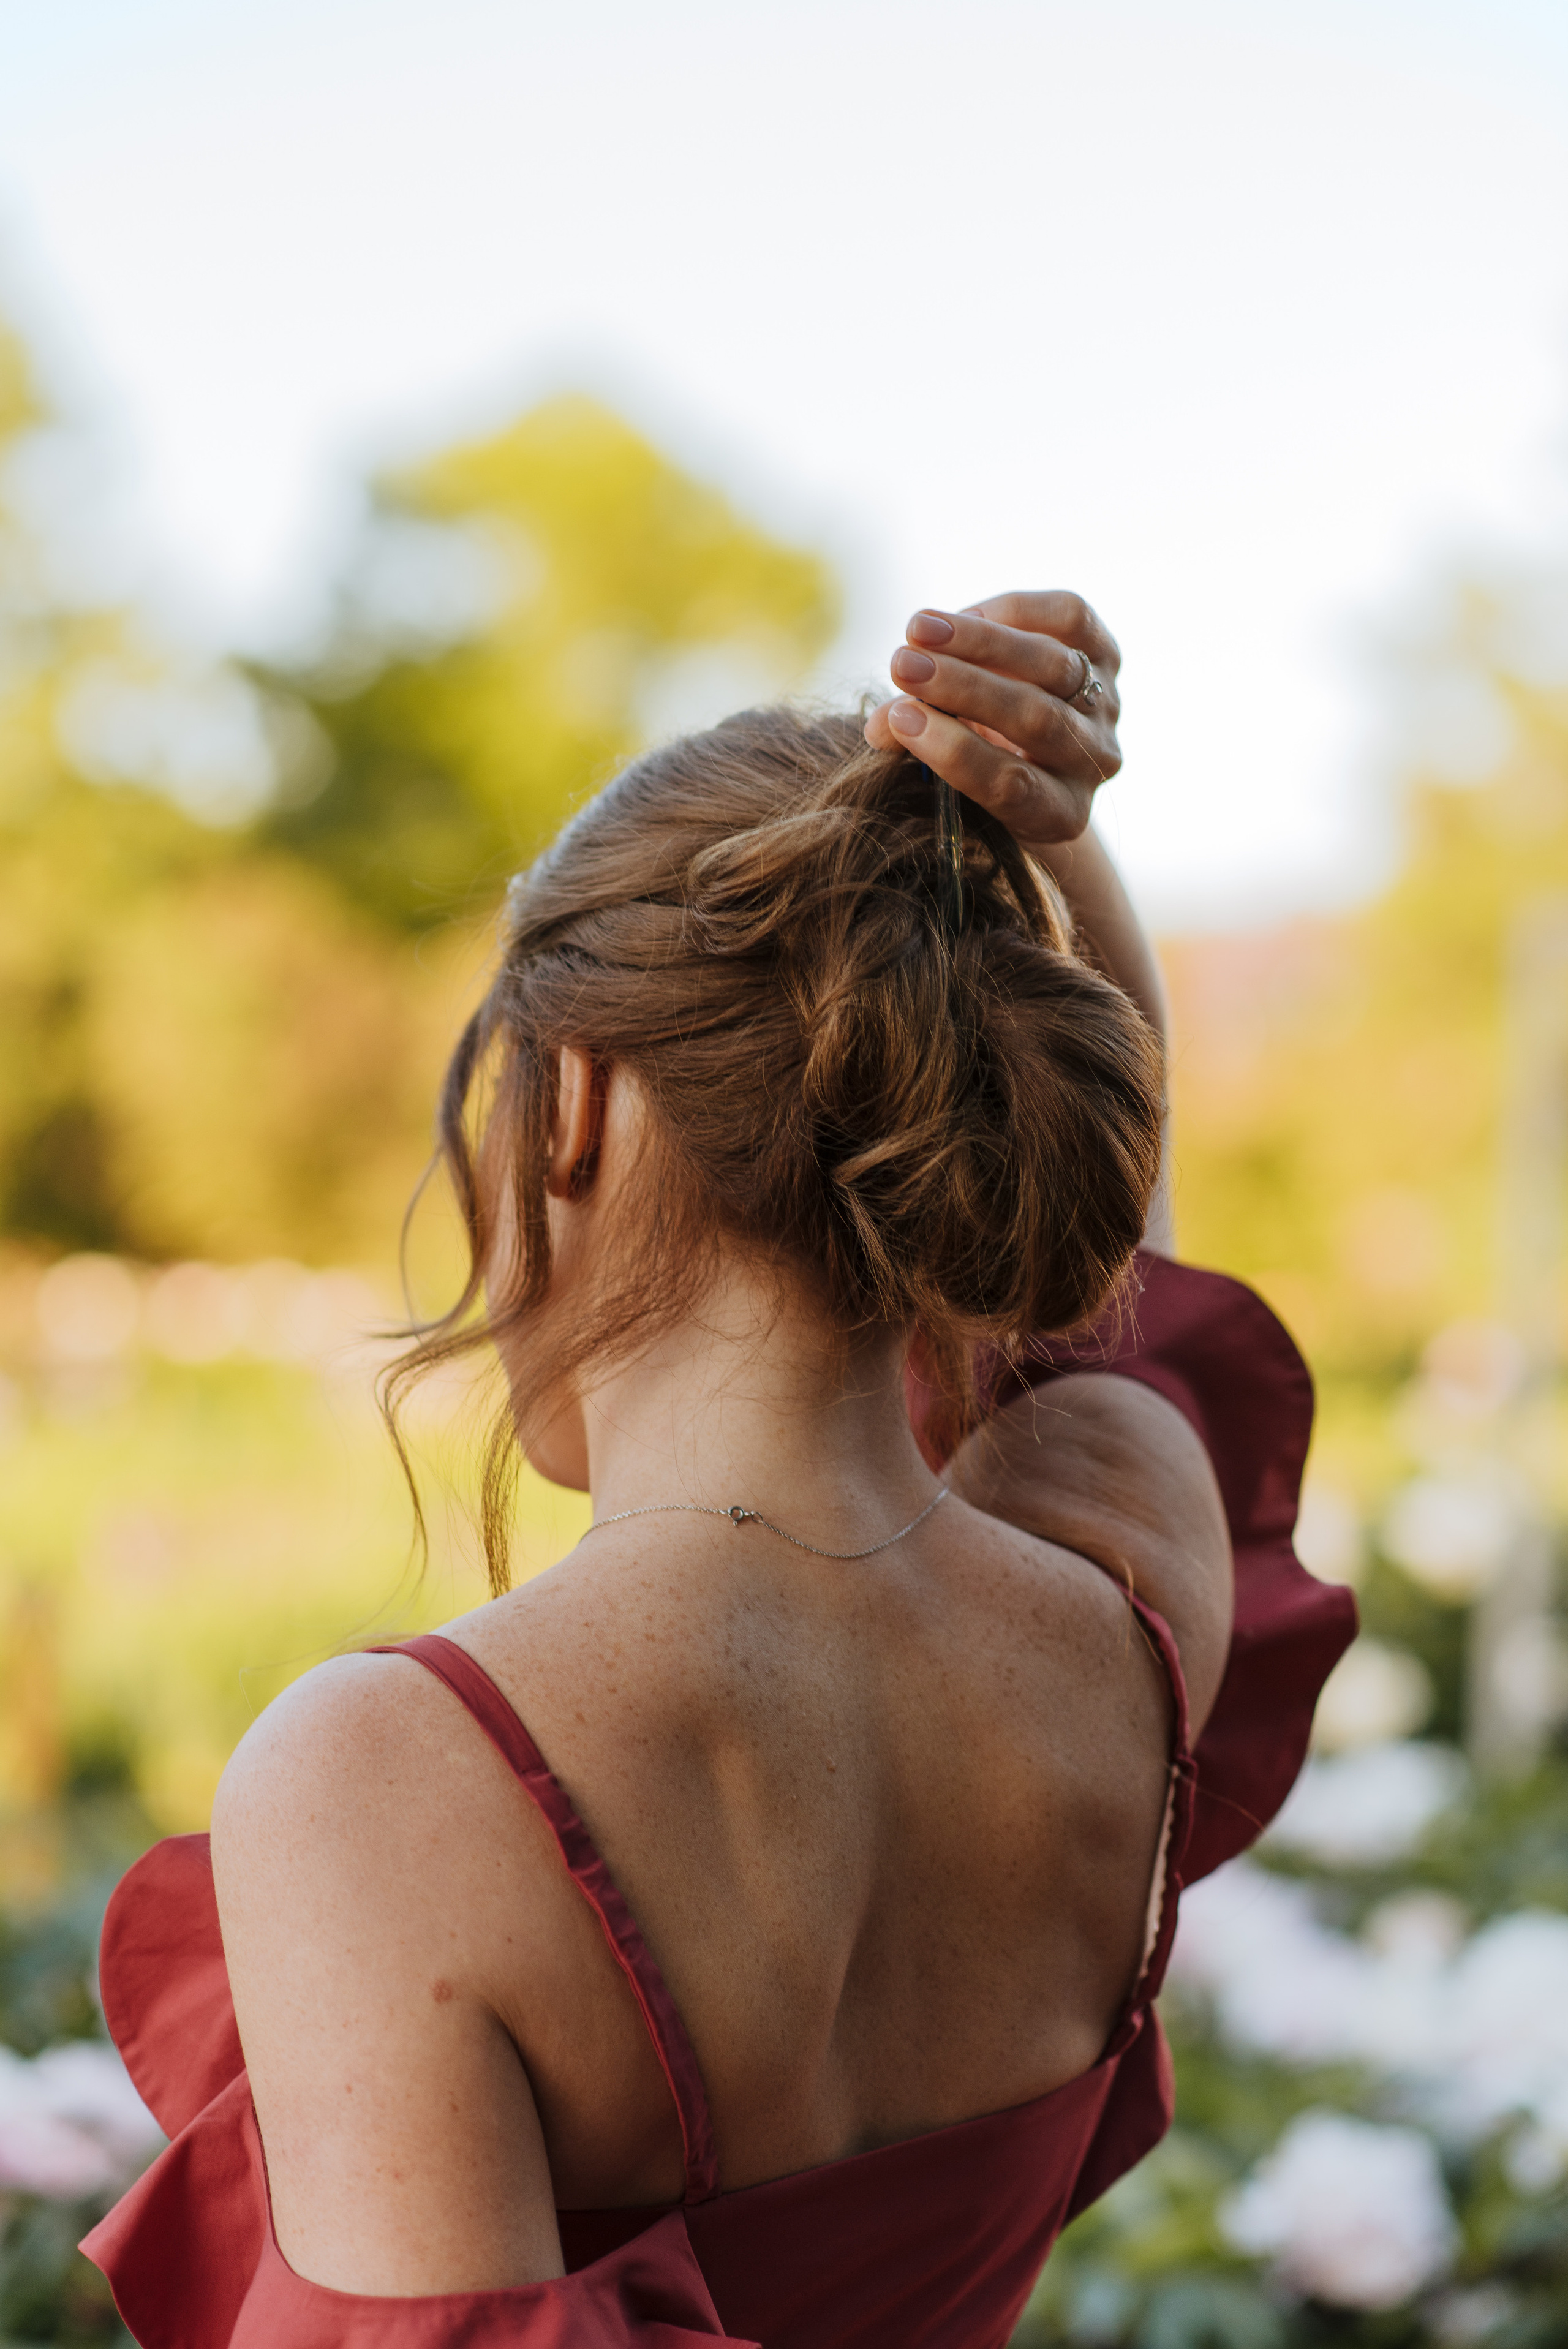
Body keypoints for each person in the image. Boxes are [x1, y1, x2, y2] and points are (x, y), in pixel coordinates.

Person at [83, 594, 1355, 2348]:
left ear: (572, 1101)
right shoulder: (1128, 1610)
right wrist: (1058, 852)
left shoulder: (391, 1778)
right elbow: (1106, 1300)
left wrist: (1034, 839)